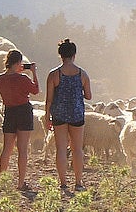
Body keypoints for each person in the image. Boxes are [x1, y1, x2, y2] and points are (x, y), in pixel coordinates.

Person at [46, 38, 92, 192]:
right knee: (77, 148)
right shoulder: (82, 73)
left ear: (60, 55)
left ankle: (63, 183)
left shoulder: (54, 74)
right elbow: (89, 96)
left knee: (60, 148)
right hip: (77, 114)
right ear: (74, 55)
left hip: (59, 114)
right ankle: (78, 182)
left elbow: (49, 99)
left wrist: (47, 117)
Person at [0, 49, 39, 190]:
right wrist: (33, 72)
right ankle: (20, 183)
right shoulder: (23, 79)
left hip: (9, 111)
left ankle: (2, 180)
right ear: (19, 62)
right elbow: (35, 90)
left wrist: (18, 71)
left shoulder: (0, 78)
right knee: (22, 150)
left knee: (7, 149)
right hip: (23, 111)